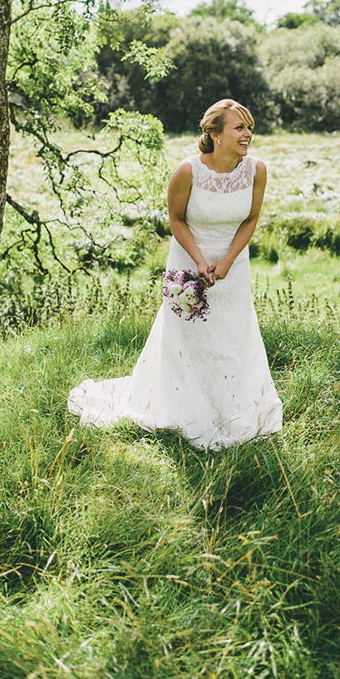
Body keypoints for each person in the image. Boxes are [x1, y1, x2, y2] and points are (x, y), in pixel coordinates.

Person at [68, 98, 283, 449]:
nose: (248, 135)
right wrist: (199, 262)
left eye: (249, 128)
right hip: (189, 265)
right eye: (239, 128)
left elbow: (251, 218)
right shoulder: (188, 171)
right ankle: (184, 409)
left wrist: (228, 260)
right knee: (186, 339)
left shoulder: (256, 170)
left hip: (233, 267)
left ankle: (229, 409)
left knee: (232, 337)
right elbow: (176, 220)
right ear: (214, 134)